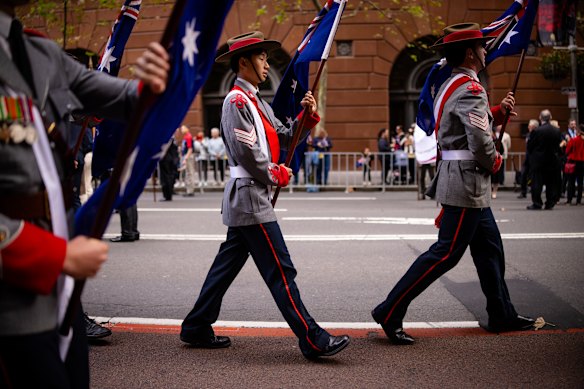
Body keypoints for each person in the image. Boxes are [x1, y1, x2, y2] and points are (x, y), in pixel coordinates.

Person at [0, 1, 170, 387]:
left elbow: (125, 99)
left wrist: (154, 83)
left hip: (60, 286)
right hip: (14, 291)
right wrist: (54, 254)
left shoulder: (37, 52)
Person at [180, 31, 350, 359]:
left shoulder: (256, 101)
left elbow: (286, 139)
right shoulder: (236, 101)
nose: (266, 63)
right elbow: (247, 154)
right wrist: (276, 173)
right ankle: (312, 337)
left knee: (225, 268)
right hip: (250, 196)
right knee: (280, 270)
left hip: (252, 194)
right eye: (261, 57)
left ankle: (196, 325)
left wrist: (306, 117)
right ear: (243, 62)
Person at [371, 23, 535, 345]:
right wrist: (497, 162)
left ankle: (501, 312)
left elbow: (463, 124)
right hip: (467, 182)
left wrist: (498, 113)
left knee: (490, 250)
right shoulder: (471, 90)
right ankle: (389, 310)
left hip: (462, 179)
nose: (487, 51)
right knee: (445, 254)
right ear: (471, 53)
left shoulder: (451, 85)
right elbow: (479, 142)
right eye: (483, 47)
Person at [526, 109, 562, 210]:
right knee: (551, 183)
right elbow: (558, 146)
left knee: (537, 183)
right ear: (550, 117)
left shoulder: (537, 131)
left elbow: (530, 146)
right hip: (552, 160)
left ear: (540, 118)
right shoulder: (556, 131)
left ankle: (537, 203)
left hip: (538, 161)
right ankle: (550, 202)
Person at [517, 119, 538, 199]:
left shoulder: (537, 134)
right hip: (527, 158)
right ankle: (523, 191)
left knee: (533, 176)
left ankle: (533, 191)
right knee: (523, 174)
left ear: (534, 126)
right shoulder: (528, 134)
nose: (528, 126)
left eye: (530, 125)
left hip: (533, 158)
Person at [565, 124, 584, 205]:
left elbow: (567, 151)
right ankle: (579, 200)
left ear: (578, 131)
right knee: (580, 182)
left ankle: (569, 200)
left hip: (573, 162)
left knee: (571, 182)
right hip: (582, 163)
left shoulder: (573, 140)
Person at [491, 125, 511, 199]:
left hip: (496, 160)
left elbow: (503, 149)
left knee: (496, 177)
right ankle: (490, 191)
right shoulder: (488, 139)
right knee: (490, 178)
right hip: (488, 161)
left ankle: (494, 191)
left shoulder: (498, 140)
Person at [160, 137, 180, 201]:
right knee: (169, 176)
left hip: (166, 159)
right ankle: (169, 194)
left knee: (166, 177)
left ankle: (167, 195)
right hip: (171, 159)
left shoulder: (167, 139)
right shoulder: (172, 140)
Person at [180, 125, 196, 196]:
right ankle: (188, 190)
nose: (181, 129)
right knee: (187, 173)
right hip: (186, 156)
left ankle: (190, 191)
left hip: (188, 156)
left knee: (189, 173)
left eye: (183, 128)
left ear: (187, 129)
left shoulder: (188, 137)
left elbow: (190, 149)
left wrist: (186, 158)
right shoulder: (186, 136)